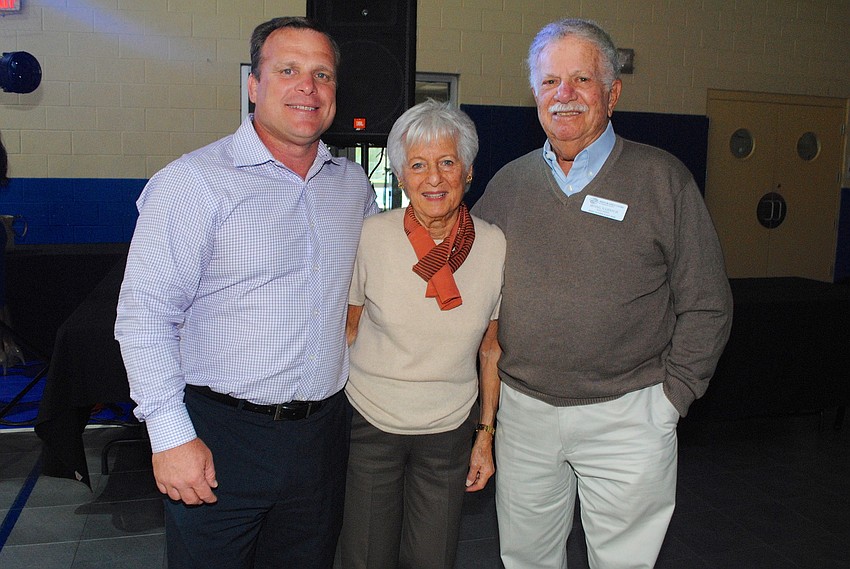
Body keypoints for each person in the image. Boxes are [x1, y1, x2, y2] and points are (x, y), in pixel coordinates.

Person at [115, 17, 379, 569]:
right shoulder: (192, 182)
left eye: (322, 74)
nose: (307, 87)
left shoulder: (351, 186)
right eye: (288, 70)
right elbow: (145, 317)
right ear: (254, 86)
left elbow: (380, 281)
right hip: (220, 437)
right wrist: (169, 437)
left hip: (323, 439)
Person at [471, 18, 733, 569]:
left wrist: (670, 400)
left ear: (612, 94)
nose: (562, 95)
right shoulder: (507, 185)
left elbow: (707, 301)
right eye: (549, 82)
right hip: (524, 414)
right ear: (535, 95)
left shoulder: (663, 179)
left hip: (629, 413)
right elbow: (468, 289)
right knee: (526, 558)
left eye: (581, 80)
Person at [338, 99, 505, 569]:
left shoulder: (493, 245)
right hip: (371, 420)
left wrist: (485, 435)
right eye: (418, 165)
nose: (433, 178)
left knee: (433, 558)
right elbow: (347, 330)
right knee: (365, 557)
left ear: (468, 171)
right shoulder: (371, 236)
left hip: (449, 429)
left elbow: (490, 352)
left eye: (447, 162)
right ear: (401, 175)